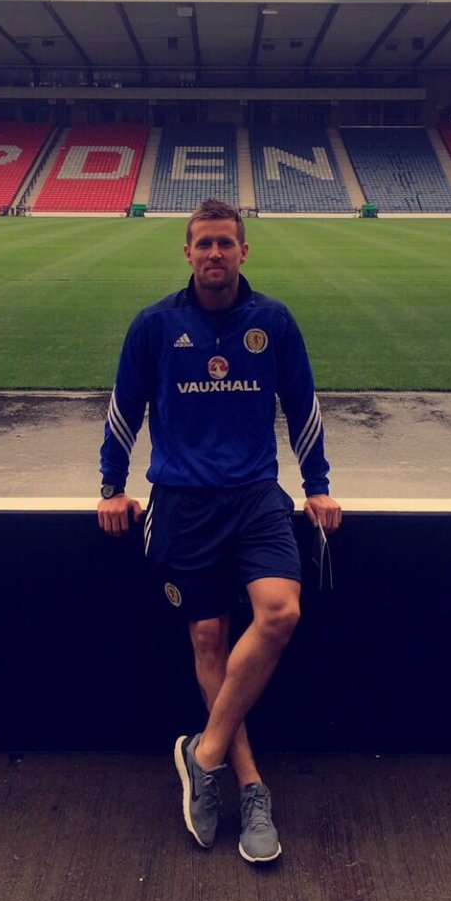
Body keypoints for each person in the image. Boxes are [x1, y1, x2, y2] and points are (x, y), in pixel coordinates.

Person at [98, 198, 341, 863]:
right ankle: (250, 786)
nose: (213, 254)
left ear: (242, 252)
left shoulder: (273, 322)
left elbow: (303, 405)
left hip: (256, 497)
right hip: (179, 501)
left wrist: (315, 484)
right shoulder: (155, 325)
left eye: (224, 244)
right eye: (202, 244)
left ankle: (201, 753)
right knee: (207, 636)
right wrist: (110, 488)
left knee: (280, 612)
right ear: (186, 253)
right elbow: (123, 409)